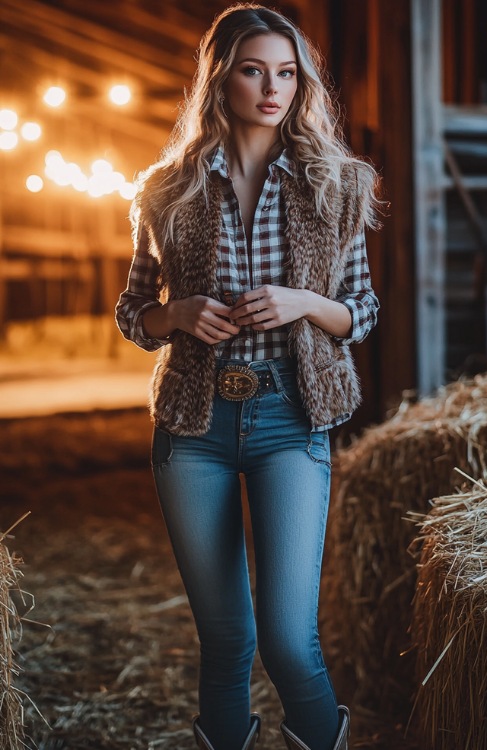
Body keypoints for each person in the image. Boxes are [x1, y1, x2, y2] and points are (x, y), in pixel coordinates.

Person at [116, 5, 380, 750]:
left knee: (288, 641)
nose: (273, 88)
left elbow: (361, 311)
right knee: (226, 640)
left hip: (290, 418)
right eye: (253, 70)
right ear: (220, 76)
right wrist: (176, 315)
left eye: (287, 73)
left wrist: (304, 303)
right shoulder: (165, 189)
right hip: (191, 429)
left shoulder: (337, 184)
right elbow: (133, 311)